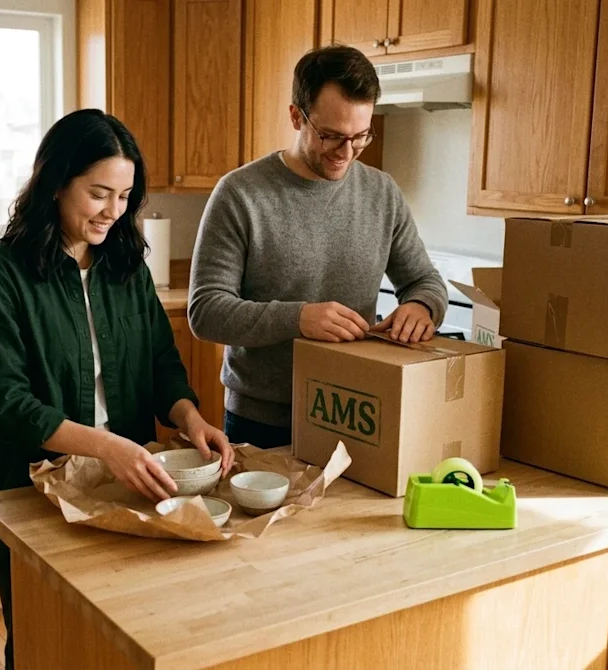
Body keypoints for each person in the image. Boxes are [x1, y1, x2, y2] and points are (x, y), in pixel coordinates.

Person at [0, 108, 234, 669]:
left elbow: (161, 361)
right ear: (57, 183)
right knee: (45, 642)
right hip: (31, 494)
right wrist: (107, 446)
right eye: (99, 193)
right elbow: (8, 407)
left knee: (121, 642)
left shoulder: (125, 266)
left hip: (124, 490)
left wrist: (190, 419)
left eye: (125, 195)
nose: (114, 211)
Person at [188, 45, 449, 450]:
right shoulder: (240, 194)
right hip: (261, 422)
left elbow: (424, 280)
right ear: (297, 116)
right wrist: (300, 318)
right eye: (331, 136)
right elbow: (205, 312)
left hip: (357, 412)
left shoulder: (382, 193)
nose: (346, 153)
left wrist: (423, 306)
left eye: (360, 136)